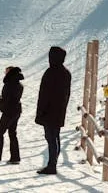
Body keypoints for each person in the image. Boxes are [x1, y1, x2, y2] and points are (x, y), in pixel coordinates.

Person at [35, 46, 71, 175]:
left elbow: (45, 95)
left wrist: (41, 112)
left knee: (51, 138)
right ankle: (52, 163)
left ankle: (52, 166)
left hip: (49, 112)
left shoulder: (51, 72)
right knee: (55, 137)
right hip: (59, 111)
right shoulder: (66, 73)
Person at [0, 66, 24, 164]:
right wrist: (1, 99)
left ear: (10, 73)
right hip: (17, 110)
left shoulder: (8, 84)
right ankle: (15, 158)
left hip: (8, 112)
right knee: (12, 133)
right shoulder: (19, 84)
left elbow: (7, 101)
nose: (5, 73)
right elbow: (12, 98)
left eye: (6, 71)